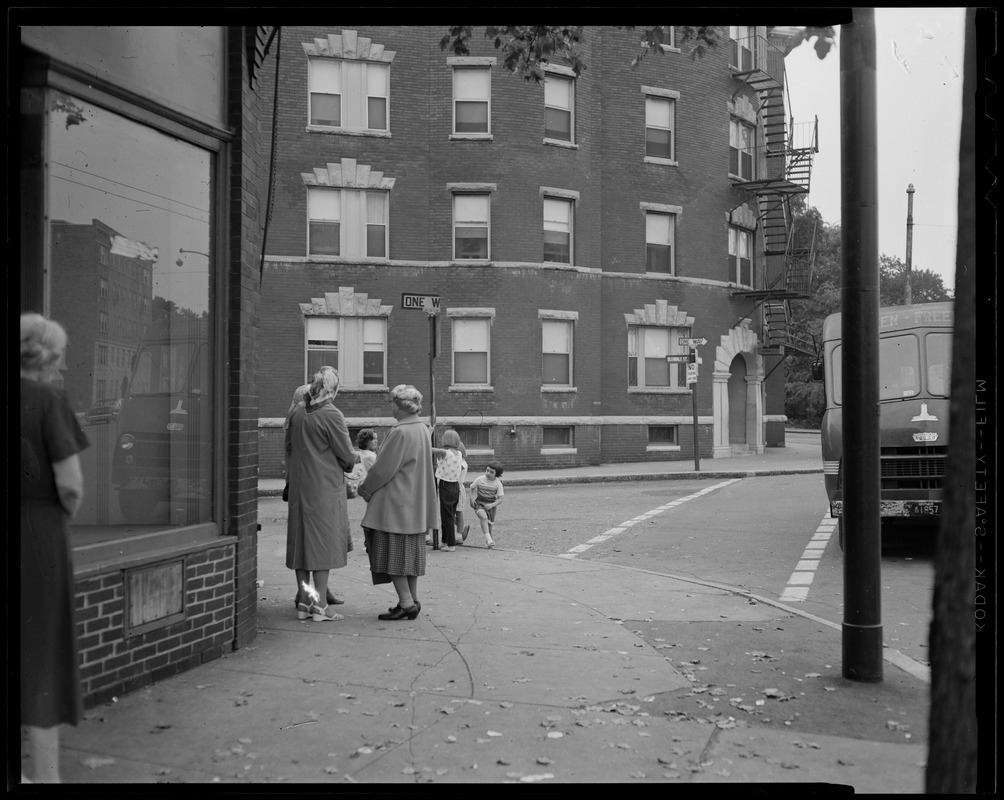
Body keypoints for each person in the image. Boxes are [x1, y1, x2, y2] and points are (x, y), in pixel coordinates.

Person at [20, 313, 90, 783]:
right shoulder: (48, 399)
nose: (64, 365)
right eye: (60, 355)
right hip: (36, 535)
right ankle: (44, 776)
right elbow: (70, 486)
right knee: (40, 653)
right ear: (43, 355)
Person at [358, 385, 438, 620]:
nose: (390, 406)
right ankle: (412, 600)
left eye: (392, 402)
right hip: (414, 503)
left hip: (394, 504)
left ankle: (405, 602)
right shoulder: (422, 428)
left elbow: (383, 469)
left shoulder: (400, 432)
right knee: (409, 558)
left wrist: (364, 489)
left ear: (402, 405)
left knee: (390, 554)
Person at [285, 367, 359, 621]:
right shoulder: (331, 414)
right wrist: (351, 465)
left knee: (301, 546)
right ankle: (321, 606)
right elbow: (347, 455)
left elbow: (289, 447)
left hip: (299, 487)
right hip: (324, 488)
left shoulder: (297, 413)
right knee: (321, 546)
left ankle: (306, 602)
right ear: (333, 389)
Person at [431, 429, 467, 551]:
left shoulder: (444, 452)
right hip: (455, 486)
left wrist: (428, 433)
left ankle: (451, 544)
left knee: (447, 517)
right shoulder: (459, 454)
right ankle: (445, 541)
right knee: (448, 514)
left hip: (446, 485)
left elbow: (429, 450)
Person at [468, 461, 505, 548]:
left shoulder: (498, 484)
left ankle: (490, 543)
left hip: (491, 505)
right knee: (483, 516)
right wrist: (471, 499)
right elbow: (472, 488)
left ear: (497, 474)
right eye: (487, 470)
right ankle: (488, 539)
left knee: (489, 526)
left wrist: (491, 505)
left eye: (491, 472)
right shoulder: (480, 479)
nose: (488, 473)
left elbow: (500, 499)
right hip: (479, 503)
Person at [345, 428, 378, 498]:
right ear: (365, 441)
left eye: (376, 439)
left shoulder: (365, 454)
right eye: (373, 439)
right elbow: (378, 473)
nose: (376, 441)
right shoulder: (369, 456)